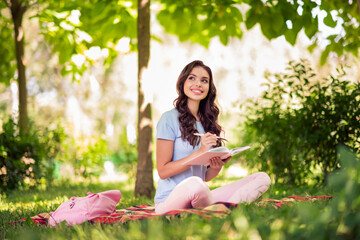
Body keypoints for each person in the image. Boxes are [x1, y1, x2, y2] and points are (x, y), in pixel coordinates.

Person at [154, 60, 271, 214]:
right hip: (170, 200)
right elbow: (163, 171)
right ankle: (220, 210)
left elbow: (206, 177)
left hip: (199, 196)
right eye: (192, 78)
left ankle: (221, 210)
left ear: (209, 87)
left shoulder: (206, 122)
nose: (198, 84)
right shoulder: (168, 119)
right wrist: (200, 152)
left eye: (204, 80)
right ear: (182, 82)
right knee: (196, 184)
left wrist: (217, 166)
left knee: (262, 178)